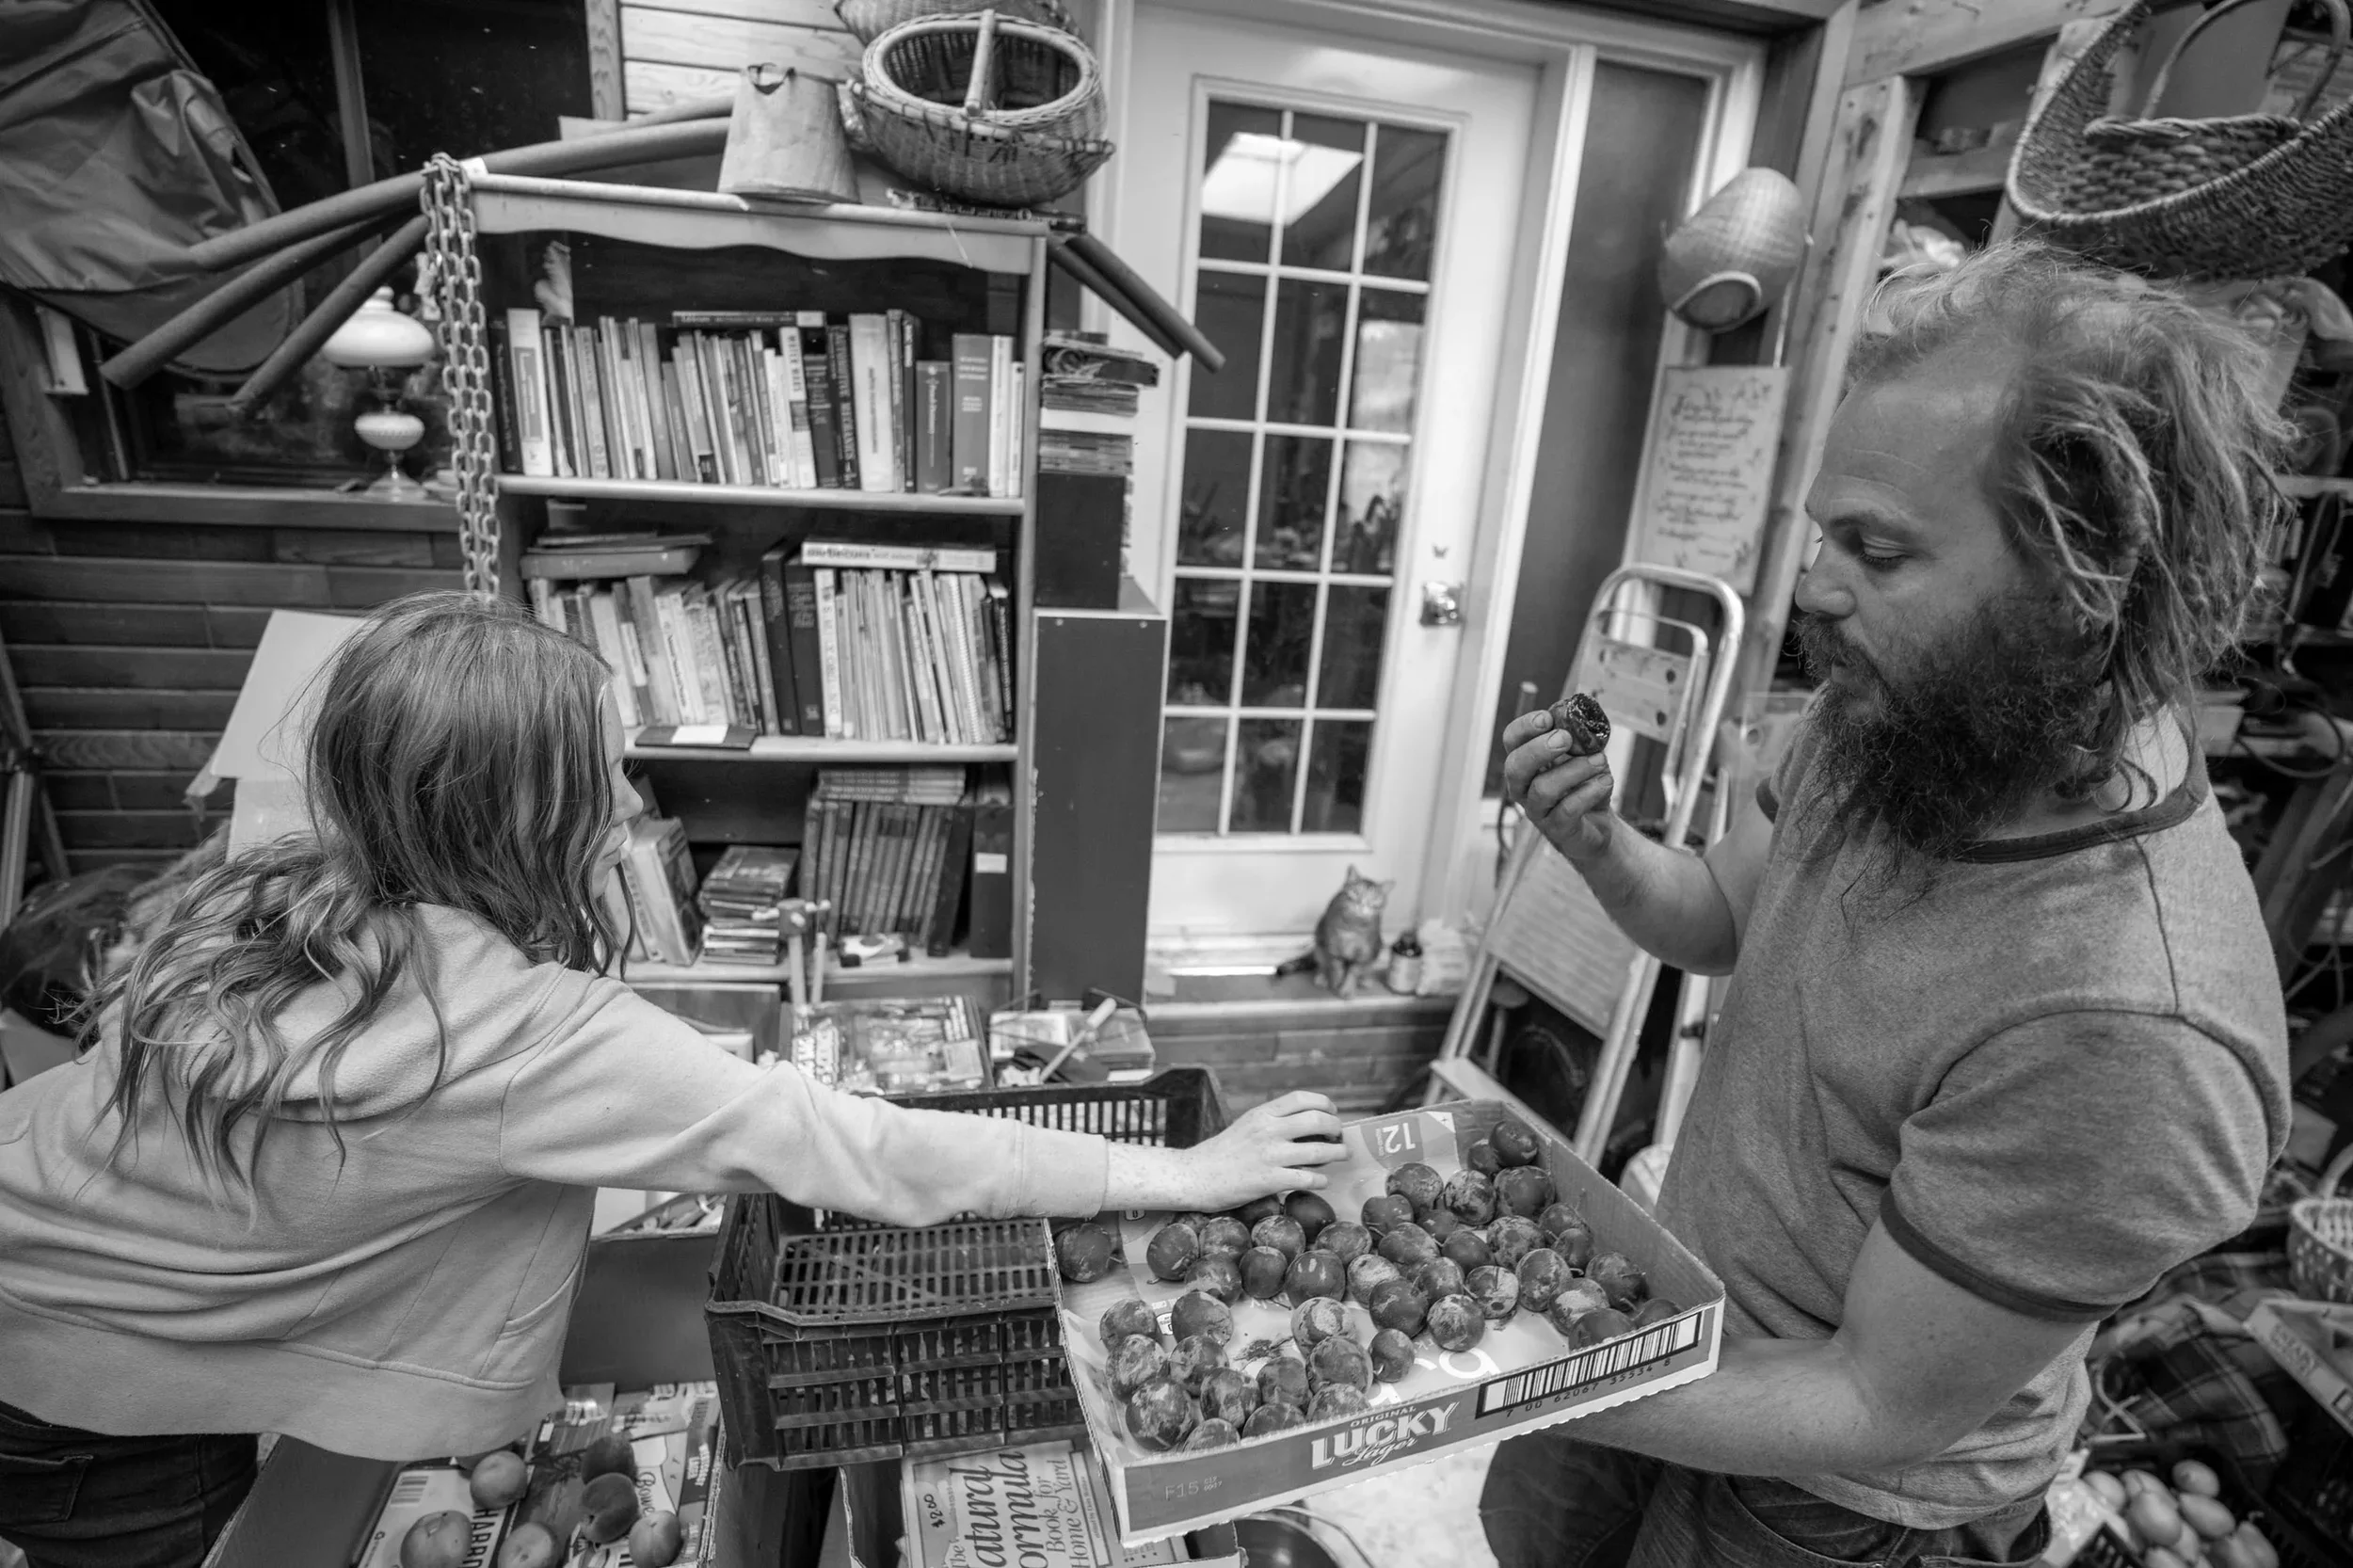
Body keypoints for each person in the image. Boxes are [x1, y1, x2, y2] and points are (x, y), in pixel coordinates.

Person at [0, 592, 1346, 1568]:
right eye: (609, 774)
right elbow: (864, 1147)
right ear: (526, 812)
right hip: (94, 1396)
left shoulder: (282, 885)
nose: (631, 803)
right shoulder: (522, 1029)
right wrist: (1185, 1169)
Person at [1481, 242, 2293, 1568]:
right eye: (1820, 536)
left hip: (1828, 1504)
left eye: (1875, 549)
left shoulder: (2131, 1020)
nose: (1813, 591)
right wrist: (1604, 848)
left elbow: (1874, 1399)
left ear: (2086, 576)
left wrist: (1494, 1374)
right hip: (1655, 1330)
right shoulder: (1893, 720)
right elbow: (1726, 921)